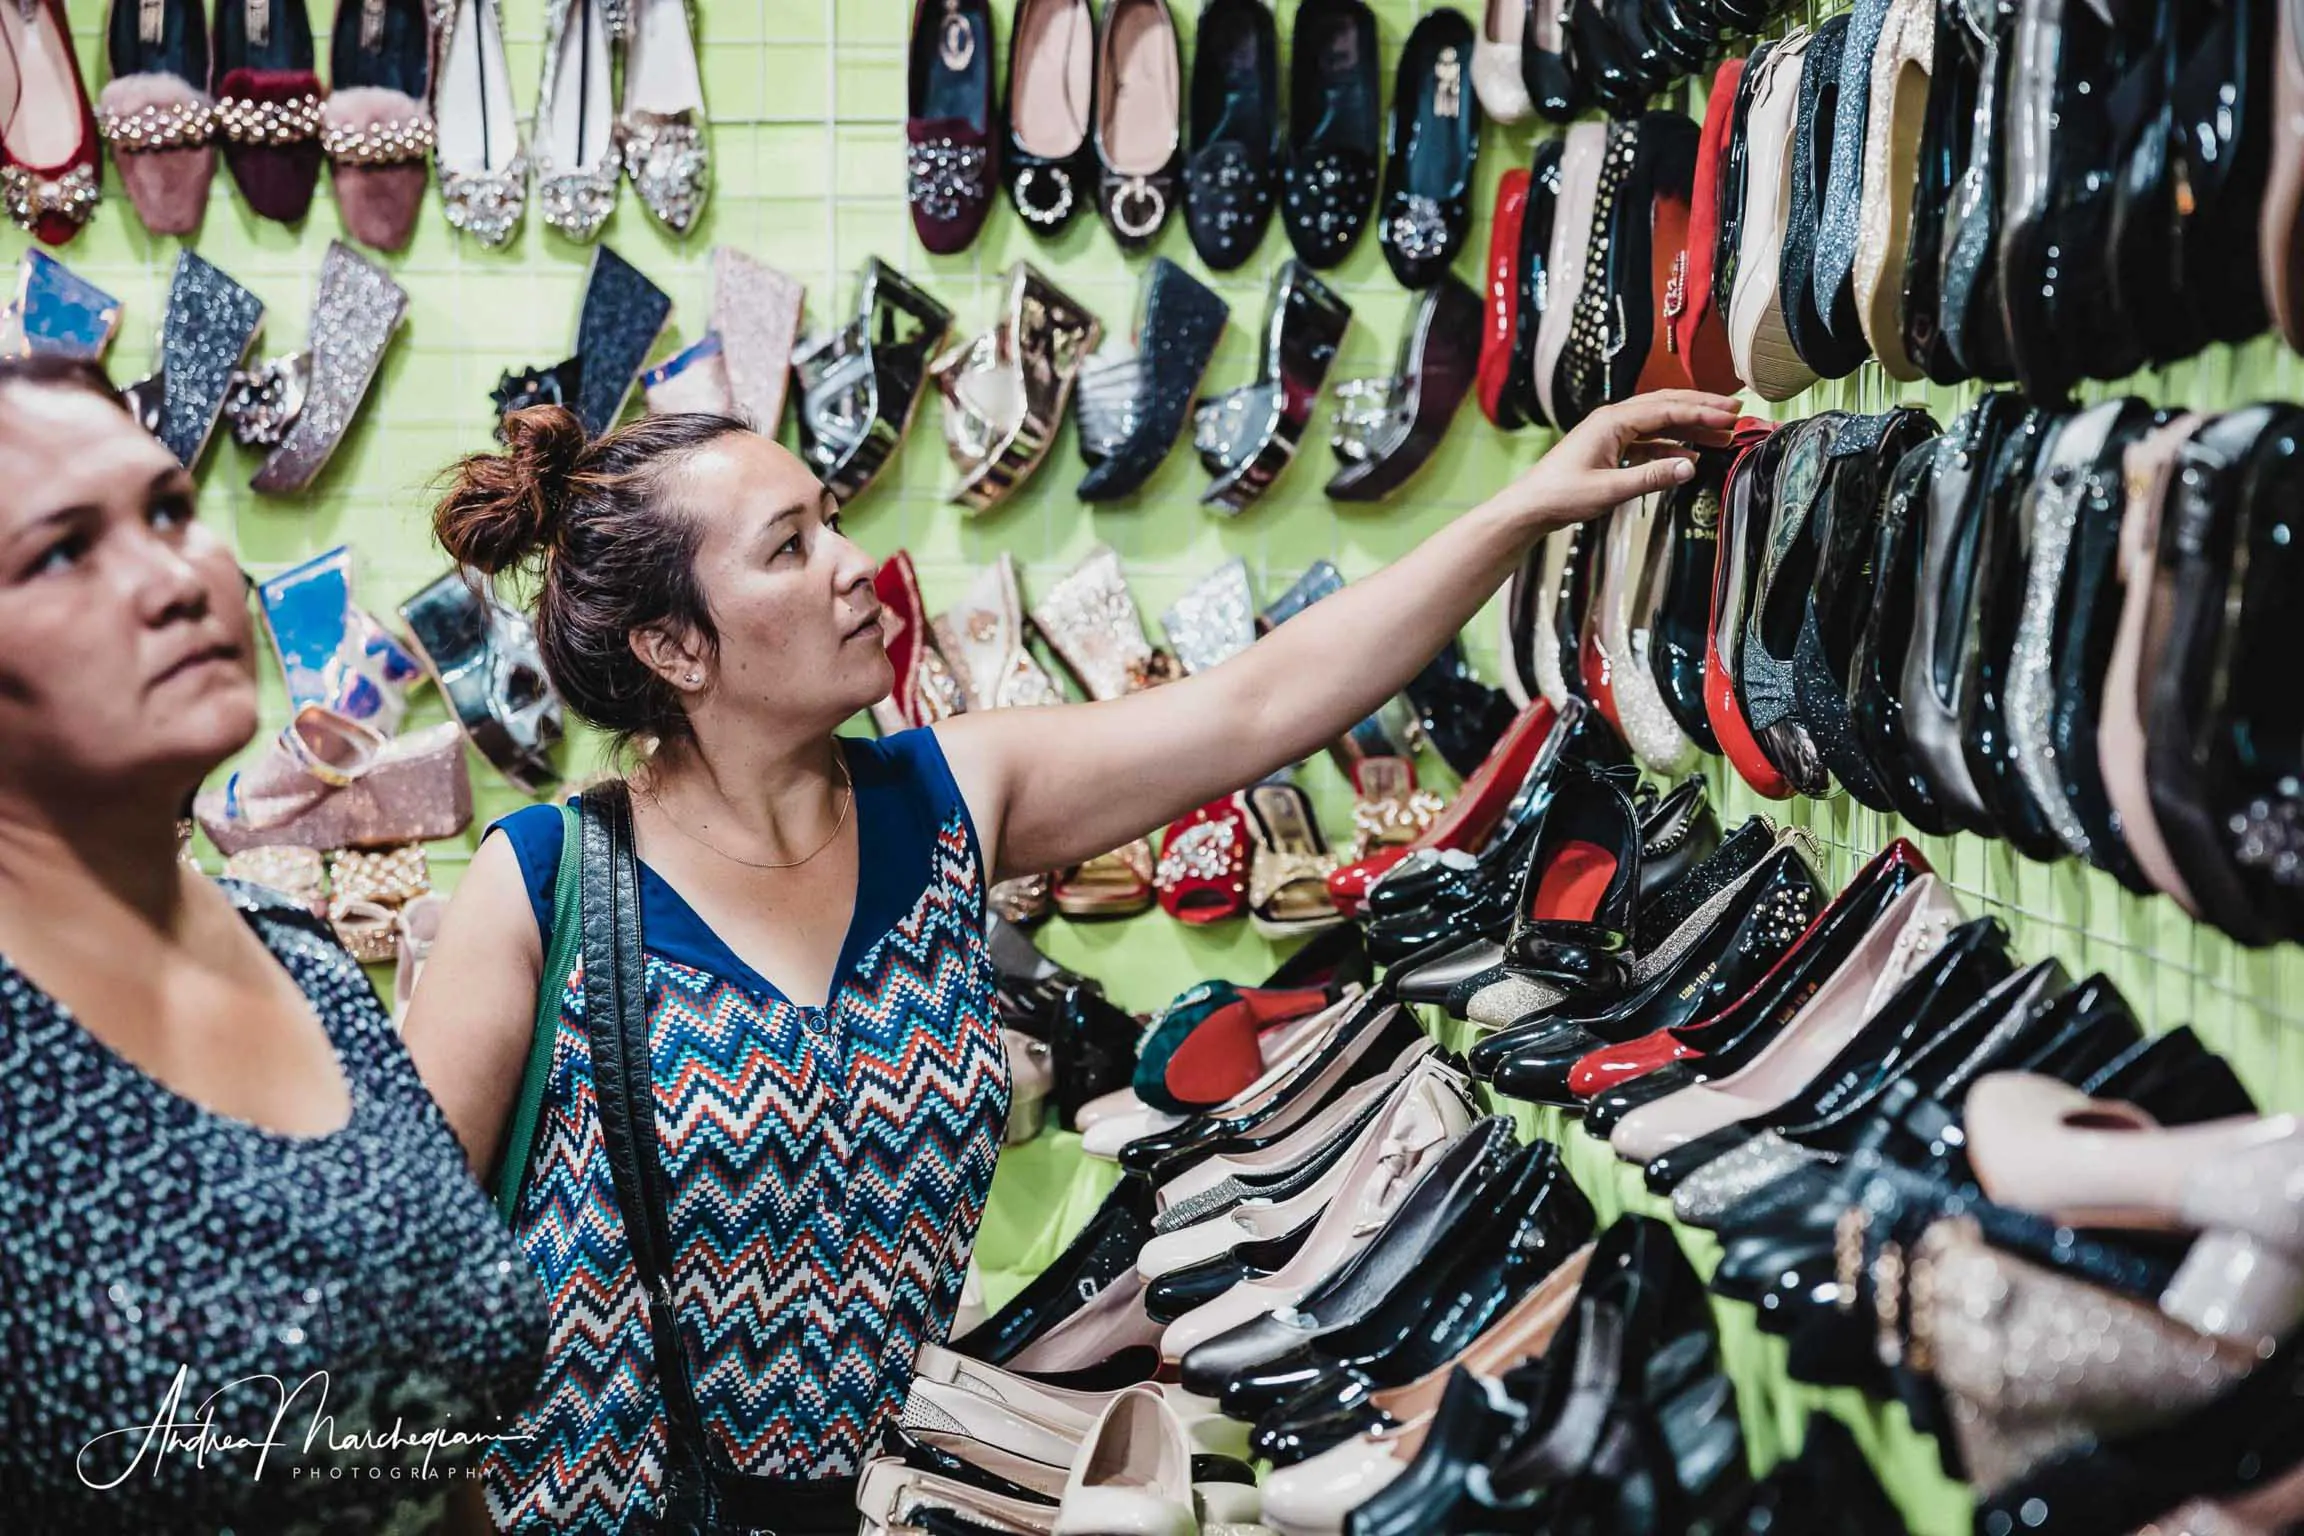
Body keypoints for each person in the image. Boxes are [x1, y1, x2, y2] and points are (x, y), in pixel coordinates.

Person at [402, 389, 1736, 1533]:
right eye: (791, 547)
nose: (858, 562)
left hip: (913, 1502)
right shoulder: (546, 891)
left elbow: (1260, 704)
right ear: (676, 646)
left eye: (835, 518)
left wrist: (1517, 513)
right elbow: (403, 1299)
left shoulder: (946, 803)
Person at [0, 356, 546, 1533]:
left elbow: (428, 1457)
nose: (171, 579)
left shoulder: (299, 953)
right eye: (59, 551)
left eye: (169, 509)